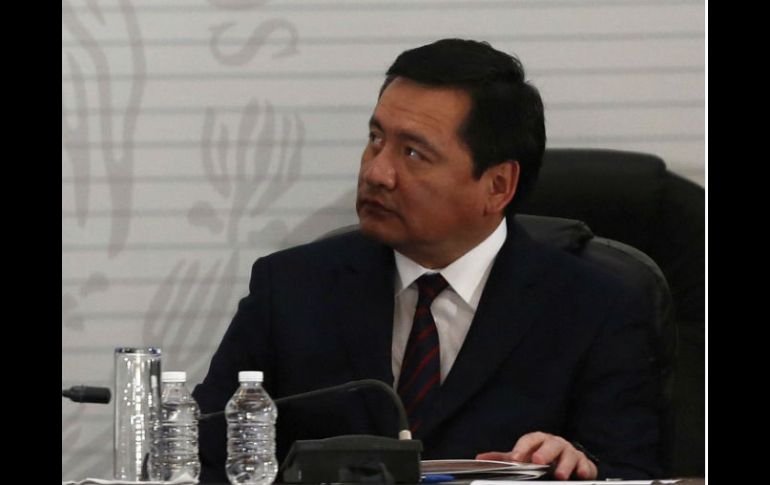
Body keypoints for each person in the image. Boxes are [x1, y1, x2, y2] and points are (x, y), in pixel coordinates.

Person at [192, 38, 664, 482]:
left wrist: (579, 469)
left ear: (498, 185)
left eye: (414, 153)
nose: (377, 172)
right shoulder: (292, 288)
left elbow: (636, 471)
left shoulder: (598, 311)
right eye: (376, 139)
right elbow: (198, 458)